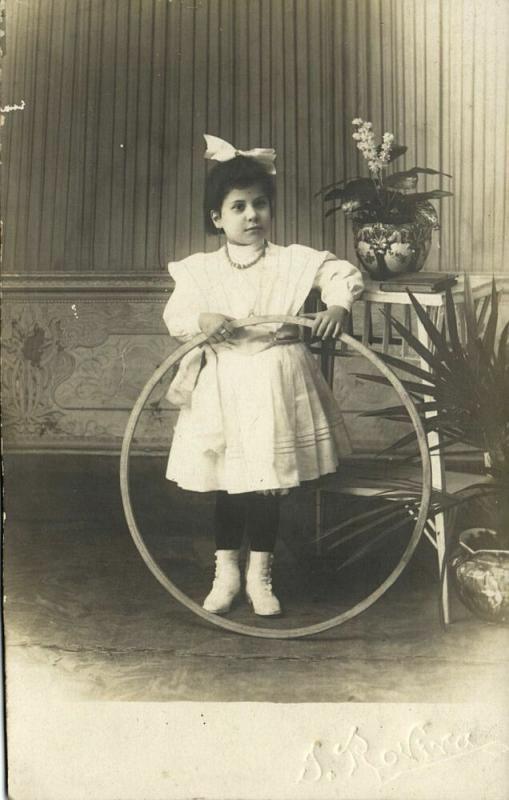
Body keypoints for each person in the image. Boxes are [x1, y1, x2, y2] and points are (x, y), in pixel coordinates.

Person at [163, 134, 364, 618]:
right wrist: (204, 320)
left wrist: (338, 303)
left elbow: (341, 272)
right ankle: (226, 572)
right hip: (226, 383)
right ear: (218, 218)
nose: (252, 215)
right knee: (230, 481)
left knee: (265, 484)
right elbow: (178, 315)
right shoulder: (201, 270)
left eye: (260, 205)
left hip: (276, 380)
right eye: (238, 207)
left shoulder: (291, 260)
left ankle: (261, 574)